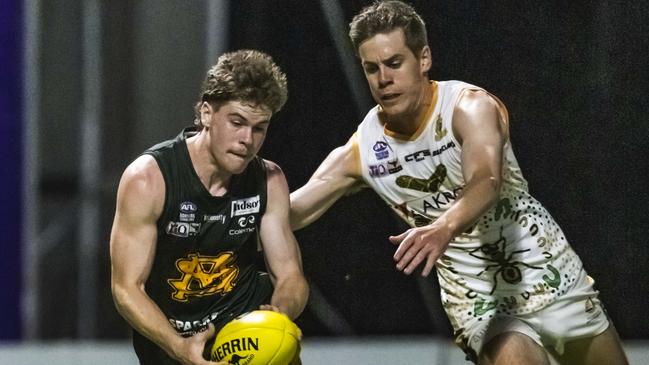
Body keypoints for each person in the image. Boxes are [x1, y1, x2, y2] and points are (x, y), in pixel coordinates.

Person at [289, 1, 628, 364]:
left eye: (394, 63)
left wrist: (443, 227)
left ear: (423, 59)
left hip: (551, 275)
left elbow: (487, 179)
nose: (383, 79)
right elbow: (291, 211)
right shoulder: (363, 151)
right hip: (479, 303)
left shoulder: (468, 107)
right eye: (371, 69)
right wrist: (231, 202)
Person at [110, 49, 308, 365]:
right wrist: (178, 346)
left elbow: (290, 275)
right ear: (206, 113)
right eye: (237, 122)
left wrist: (279, 315)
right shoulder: (148, 179)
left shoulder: (269, 180)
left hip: (244, 327)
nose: (248, 139)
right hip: (174, 339)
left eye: (260, 128)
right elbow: (126, 288)